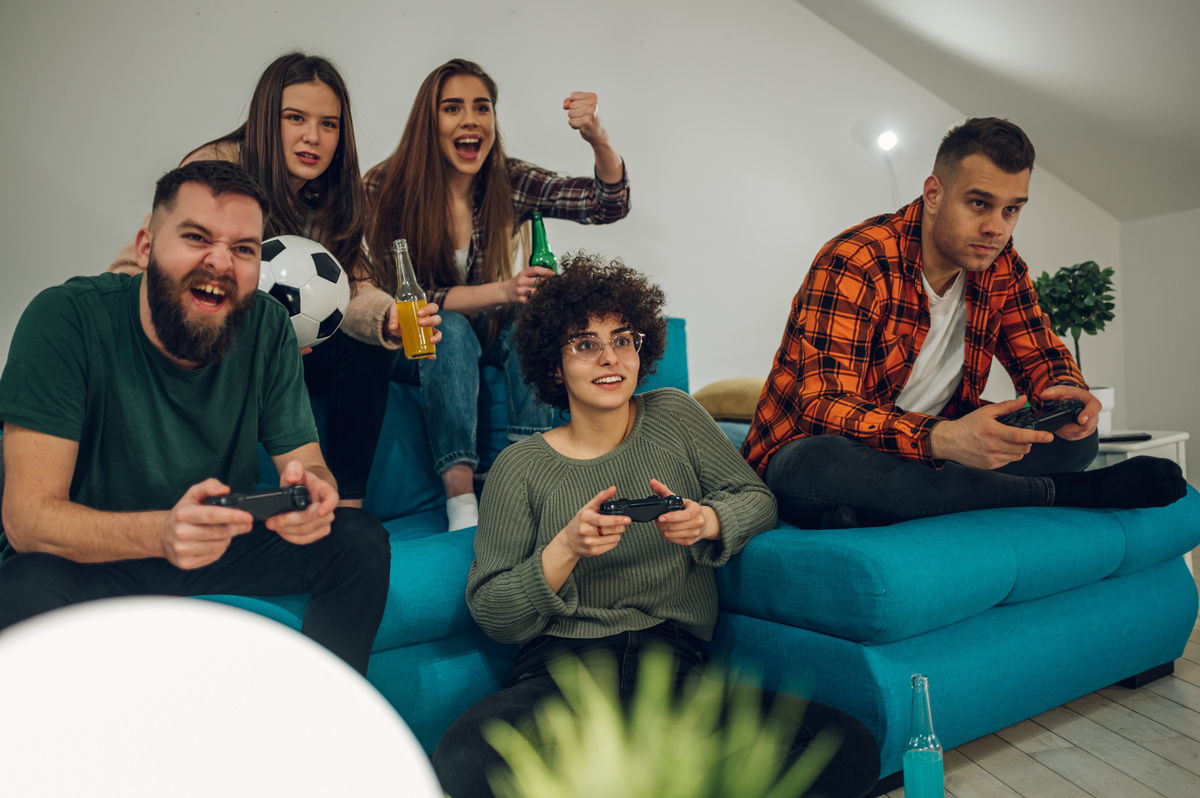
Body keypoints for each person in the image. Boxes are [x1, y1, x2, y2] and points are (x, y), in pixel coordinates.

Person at [430, 255, 880, 798]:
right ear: (554, 364)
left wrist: (708, 520)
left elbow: (755, 498)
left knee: (848, 746)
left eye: (623, 339)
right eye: (585, 343)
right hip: (558, 675)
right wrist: (566, 548)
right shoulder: (518, 467)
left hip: (675, 670)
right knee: (461, 758)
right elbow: (493, 612)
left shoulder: (674, 415)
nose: (609, 357)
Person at [0, 161, 389, 675]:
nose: (220, 262)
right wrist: (161, 532)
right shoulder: (64, 319)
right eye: (196, 237)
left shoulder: (268, 325)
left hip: (218, 542)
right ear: (145, 246)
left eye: (244, 249)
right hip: (97, 553)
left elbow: (309, 464)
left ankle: (316, 730)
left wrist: (313, 494)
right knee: (22, 589)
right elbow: (26, 520)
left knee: (358, 540)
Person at [743, 117, 1187, 528]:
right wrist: (942, 439)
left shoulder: (1001, 265)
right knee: (818, 467)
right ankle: (1054, 494)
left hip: (929, 452)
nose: (996, 228)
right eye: (979, 203)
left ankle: (889, 506)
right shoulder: (857, 260)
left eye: (1012, 209)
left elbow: (1039, 352)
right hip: (823, 449)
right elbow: (824, 407)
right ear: (934, 193)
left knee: (1074, 442)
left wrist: (1066, 391)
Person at [109, 52, 441, 509]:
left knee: (363, 353)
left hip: (291, 351)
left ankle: (345, 508)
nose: (313, 137)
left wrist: (386, 318)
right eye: (295, 118)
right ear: (267, 118)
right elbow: (139, 265)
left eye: (329, 124)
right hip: (217, 340)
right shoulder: (218, 169)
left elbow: (355, 282)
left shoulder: (335, 195)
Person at [363, 58, 631, 532]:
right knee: (447, 326)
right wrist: (502, 289)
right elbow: (404, 298)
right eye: (453, 108)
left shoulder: (507, 179)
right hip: (416, 340)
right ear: (429, 120)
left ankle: (531, 475)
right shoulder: (386, 187)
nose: (470, 120)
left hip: (488, 333)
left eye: (481, 108)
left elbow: (606, 203)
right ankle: (461, 502)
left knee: (532, 317)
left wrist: (598, 137)